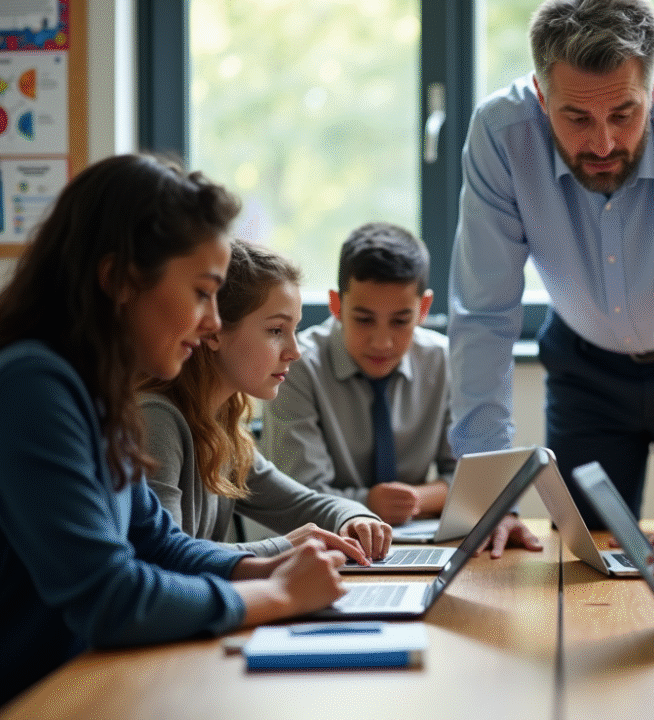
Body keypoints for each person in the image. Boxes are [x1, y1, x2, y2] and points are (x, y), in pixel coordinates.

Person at [0, 154, 346, 705]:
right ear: (119, 281)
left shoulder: (99, 389)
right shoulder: (33, 386)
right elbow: (110, 597)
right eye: (202, 292)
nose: (212, 322)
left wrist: (261, 568)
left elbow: (156, 542)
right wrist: (278, 595)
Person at [448, 0, 654, 551]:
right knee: (580, 564)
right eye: (576, 118)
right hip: (585, 369)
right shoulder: (500, 135)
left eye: (624, 114)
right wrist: (489, 495)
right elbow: (483, 316)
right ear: (541, 96)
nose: (602, 143)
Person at [140, 239, 393, 564]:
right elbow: (162, 556)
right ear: (213, 331)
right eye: (276, 330)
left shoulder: (221, 428)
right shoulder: (157, 420)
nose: (295, 351)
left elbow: (302, 504)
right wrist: (285, 546)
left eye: (294, 329)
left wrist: (355, 518)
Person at [260, 223, 477, 537]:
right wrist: (368, 503)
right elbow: (299, 495)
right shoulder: (295, 367)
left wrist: (414, 500)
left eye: (400, 321)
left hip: (417, 538)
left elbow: (472, 478)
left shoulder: (443, 361)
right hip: (322, 542)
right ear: (336, 305)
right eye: (363, 319)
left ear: (423, 309)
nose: (382, 343)